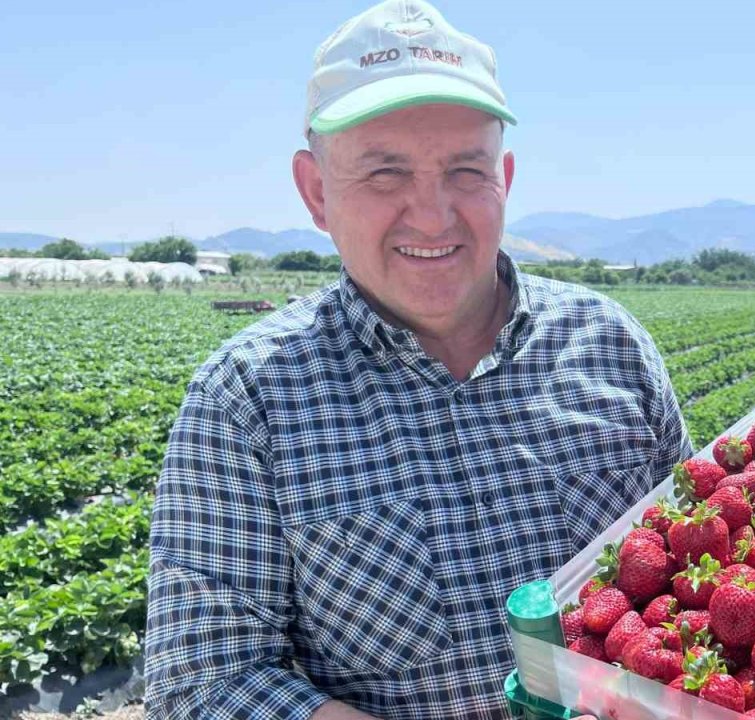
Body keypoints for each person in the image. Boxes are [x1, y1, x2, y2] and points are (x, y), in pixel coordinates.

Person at [143, 2, 690, 718]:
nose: (432, 216)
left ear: (505, 178)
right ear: (315, 191)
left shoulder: (611, 344)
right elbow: (204, 686)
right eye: (384, 173)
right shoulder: (247, 401)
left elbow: (704, 567)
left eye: (466, 170)